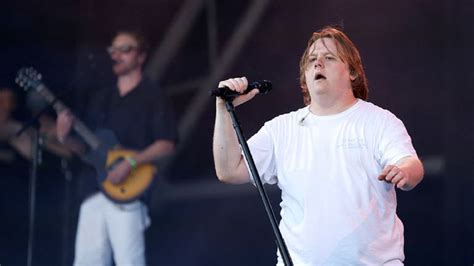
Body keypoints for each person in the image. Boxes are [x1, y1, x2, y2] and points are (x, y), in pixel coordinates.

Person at [213, 26, 424, 265]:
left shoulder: (378, 121)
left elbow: (411, 165)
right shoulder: (282, 128)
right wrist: (223, 108)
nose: (318, 63)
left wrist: (404, 171)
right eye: (312, 59)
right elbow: (229, 170)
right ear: (304, 76)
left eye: (329, 57)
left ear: (352, 72)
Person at [56, 30, 177, 265]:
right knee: (86, 261)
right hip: (93, 189)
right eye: (113, 50)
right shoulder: (101, 97)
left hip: (128, 192)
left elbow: (167, 143)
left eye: (125, 49)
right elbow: (85, 150)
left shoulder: (153, 96)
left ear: (141, 56)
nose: (116, 55)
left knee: (129, 261)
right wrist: (63, 137)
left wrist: (131, 163)